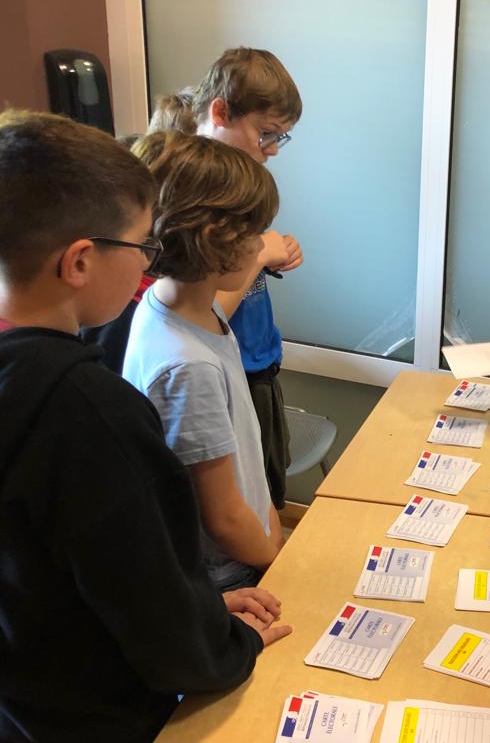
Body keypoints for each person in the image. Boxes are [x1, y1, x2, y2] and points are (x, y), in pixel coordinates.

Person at [0, 110, 291, 742]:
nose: (148, 262)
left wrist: (201, 607)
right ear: (80, 261)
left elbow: (88, 577)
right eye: (140, 245)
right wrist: (229, 642)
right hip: (98, 715)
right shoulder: (88, 411)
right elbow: (156, 621)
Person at [123, 131, 286, 592]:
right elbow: (224, 518)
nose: (259, 248)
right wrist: (279, 559)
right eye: (252, 234)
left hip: (247, 546)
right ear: (214, 240)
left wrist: (270, 522)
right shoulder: (186, 365)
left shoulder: (181, 305)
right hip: (226, 576)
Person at [194, 47, 305, 512]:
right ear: (220, 112)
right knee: (241, 512)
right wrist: (258, 256)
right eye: (266, 133)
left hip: (259, 368)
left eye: (281, 137)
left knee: (267, 499)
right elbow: (199, 316)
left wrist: (267, 253)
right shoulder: (191, 196)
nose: (272, 149)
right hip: (223, 381)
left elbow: (235, 268)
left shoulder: (236, 184)